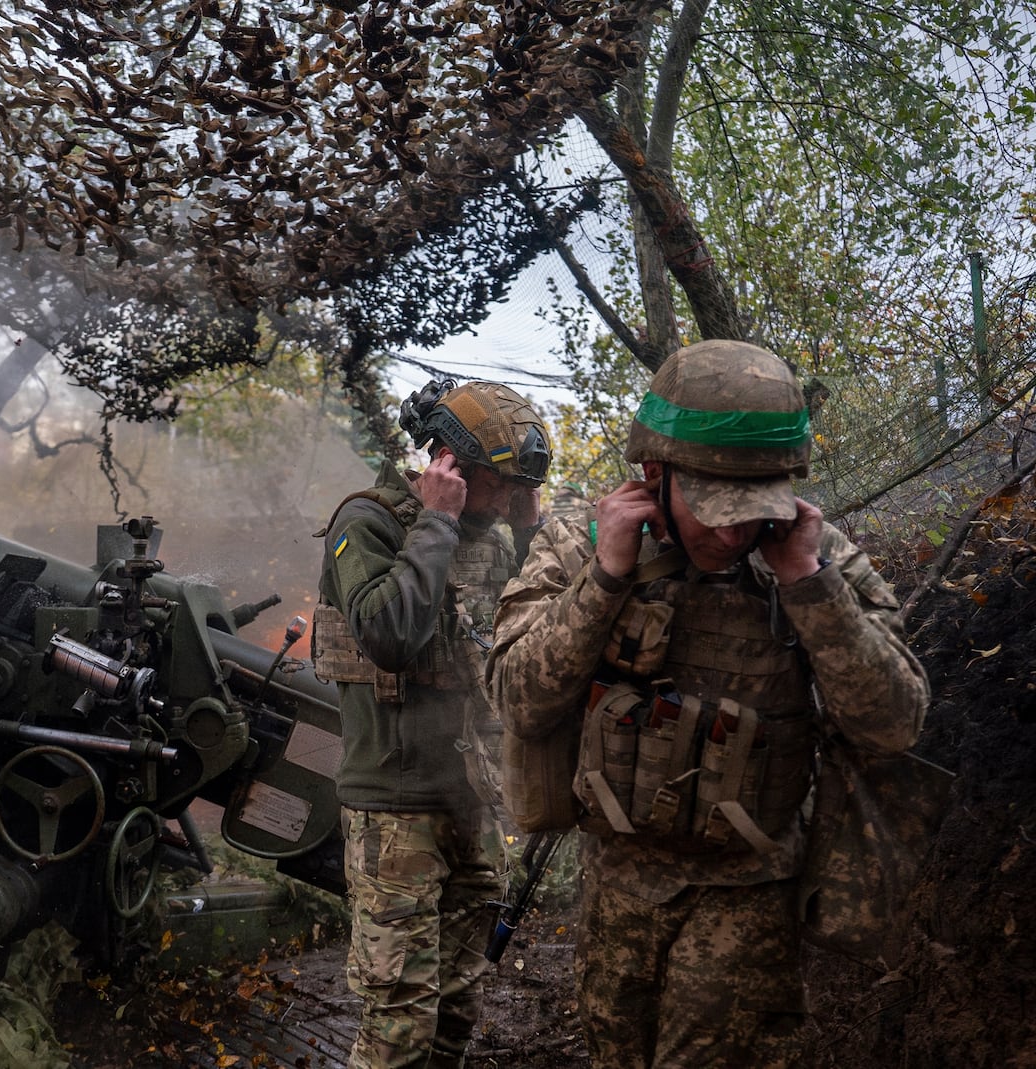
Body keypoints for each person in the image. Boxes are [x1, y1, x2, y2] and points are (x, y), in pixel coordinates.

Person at [486, 339, 930, 1068]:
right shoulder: (582, 543)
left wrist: (809, 587)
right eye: (713, 508)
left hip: (751, 888)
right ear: (654, 474)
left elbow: (894, 722)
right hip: (620, 885)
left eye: (753, 510)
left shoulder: (815, 558)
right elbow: (519, 700)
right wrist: (603, 580)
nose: (732, 533)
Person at [311, 377, 552, 1069]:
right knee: (399, 1020)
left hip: (471, 799)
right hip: (395, 808)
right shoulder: (368, 523)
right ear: (448, 461)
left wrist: (530, 524)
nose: (506, 498)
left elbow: (541, 619)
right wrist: (437, 520)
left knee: (459, 1003)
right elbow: (390, 632)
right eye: (499, 481)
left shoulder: (488, 535)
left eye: (517, 486)